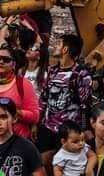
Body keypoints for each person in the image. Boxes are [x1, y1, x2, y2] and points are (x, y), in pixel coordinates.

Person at [36, 34, 92, 162]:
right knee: (42, 163)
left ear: (65, 49)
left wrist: (84, 129)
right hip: (47, 128)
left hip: (68, 132)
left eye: (58, 44)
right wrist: (37, 123)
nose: (55, 47)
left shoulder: (81, 74)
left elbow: (85, 104)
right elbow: (44, 98)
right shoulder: (52, 71)